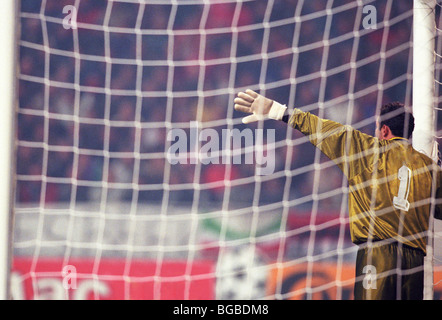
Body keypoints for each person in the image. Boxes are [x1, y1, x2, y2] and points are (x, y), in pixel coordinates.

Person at [234, 89, 442, 300]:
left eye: (377, 128)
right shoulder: (428, 166)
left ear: (384, 130)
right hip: (415, 262)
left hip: (379, 254)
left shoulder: (368, 150)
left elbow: (321, 129)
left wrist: (278, 111)